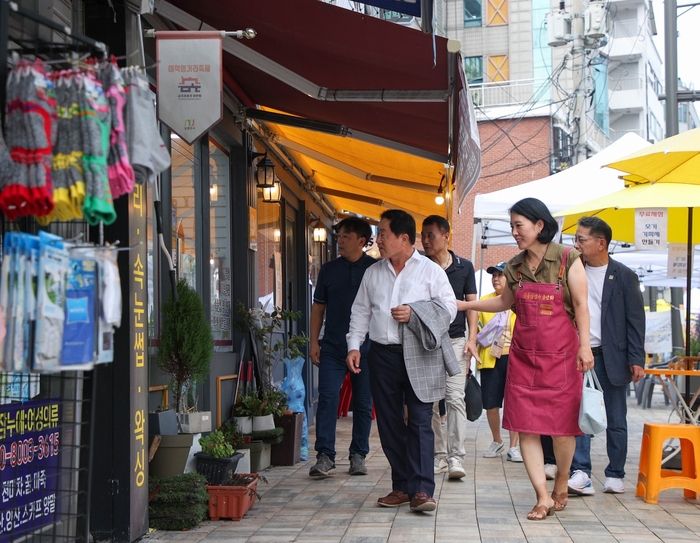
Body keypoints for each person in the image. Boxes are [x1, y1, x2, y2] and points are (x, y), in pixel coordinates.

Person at [463, 197, 593, 521]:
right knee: (526, 427)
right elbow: (505, 302)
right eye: (511, 226)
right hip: (523, 359)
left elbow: (582, 305)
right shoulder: (515, 266)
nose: (515, 232)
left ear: (539, 225)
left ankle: (562, 478)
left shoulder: (568, 258)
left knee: (563, 430)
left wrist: (585, 347)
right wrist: (466, 306)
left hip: (562, 358)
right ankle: (542, 495)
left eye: (518, 225)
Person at [346, 209, 459, 513]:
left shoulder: (430, 270)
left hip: (421, 354)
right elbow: (360, 312)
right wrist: (354, 345)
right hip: (381, 355)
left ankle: (422, 490)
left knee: (421, 420)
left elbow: (448, 309)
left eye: (383, 233)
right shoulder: (374, 272)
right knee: (389, 422)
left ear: (404, 238)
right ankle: (402, 486)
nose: (377, 239)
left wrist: (415, 314)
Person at [567, 216, 645, 495]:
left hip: (614, 356)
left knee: (616, 418)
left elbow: (636, 320)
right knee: (580, 415)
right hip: (580, 356)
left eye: (581, 239)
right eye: (575, 239)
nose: (576, 244)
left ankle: (615, 473)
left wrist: (636, 358)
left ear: (601, 243)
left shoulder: (625, 276)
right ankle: (581, 471)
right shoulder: (573, 271)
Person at [308, 217, 377, 478]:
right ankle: (325, 456)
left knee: (362, 403)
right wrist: (314, 341)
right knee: (327, 399)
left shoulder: (376, 268)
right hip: (334, 347)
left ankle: (358, 455)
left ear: (362, 241)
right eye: (339, 236)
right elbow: (318, 308)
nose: (340, 240)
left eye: (346, 236)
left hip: (368, 349)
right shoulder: (328, 270)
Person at [420, 215, 478, 479]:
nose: (425, 240)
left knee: (455, 397)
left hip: (455, 341)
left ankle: (456, 456)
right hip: (426, 342)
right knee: (431, 401)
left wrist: (472, 338)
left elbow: (472, 305)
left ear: (446, 236)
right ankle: (439, 455)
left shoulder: (464, 267)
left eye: (431, 234)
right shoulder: (419, 265)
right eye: (423, 235)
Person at [477, 262, 520, 462]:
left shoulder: (518, 302)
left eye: (500, 275)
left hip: (515, 359)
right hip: (490, 358)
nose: (496, 278)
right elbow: (476, 331)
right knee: (491, 404)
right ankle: (497, 440)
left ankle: (514, 446)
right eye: (493, 275)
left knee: (514, 403)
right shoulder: (484, 302)